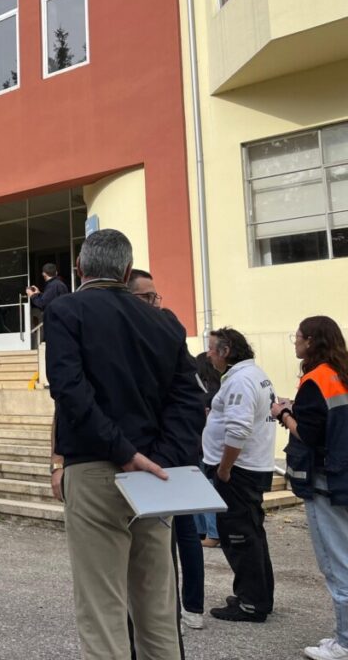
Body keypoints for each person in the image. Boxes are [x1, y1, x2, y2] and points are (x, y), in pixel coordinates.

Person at [47, 229, 203, 660]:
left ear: (79, 269)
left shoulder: (66, 311)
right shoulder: (165, 322)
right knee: (156, 610)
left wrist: (122, 452)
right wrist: (158, 458)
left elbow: (71, 391)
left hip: (96, 471)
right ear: (127, 271)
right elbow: (189, 400)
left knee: (102, 610)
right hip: (155, 475)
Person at [128, 268, 206, 633]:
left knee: (181, 536)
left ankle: (189, 606)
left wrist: (168, 455)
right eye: (147, 297)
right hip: (141, 462)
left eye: (156, 297)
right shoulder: (119, 335)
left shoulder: (165, 330)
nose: (155, 304)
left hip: (169, 459)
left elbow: (188, 398)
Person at [271, 316, 348, 660]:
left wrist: (283, 414)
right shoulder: (340, 374)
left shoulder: (316, 380)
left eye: (297, 337)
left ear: (311, 341)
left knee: (337, 563)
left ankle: (345, 641)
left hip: (324, 482)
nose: (295, 343)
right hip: (343, 475)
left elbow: (310, 434)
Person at [202, 327, 277, 623]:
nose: (208, 354)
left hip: (238, 472)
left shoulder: (241, 381)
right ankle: (258, 595)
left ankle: (251, 603)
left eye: (211, 348)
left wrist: (224, 468)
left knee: (240, 537)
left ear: (226, 350)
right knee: (252, 534)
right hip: (248, 468)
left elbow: (238, 428)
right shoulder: (250, 375)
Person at [193, 352, 223, 549]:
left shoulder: (200, 394)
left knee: (199, 490)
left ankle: (209, 532)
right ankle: (209, 532)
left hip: (200, 446)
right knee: (210, 488)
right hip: (215, 447)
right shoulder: (220, 390)